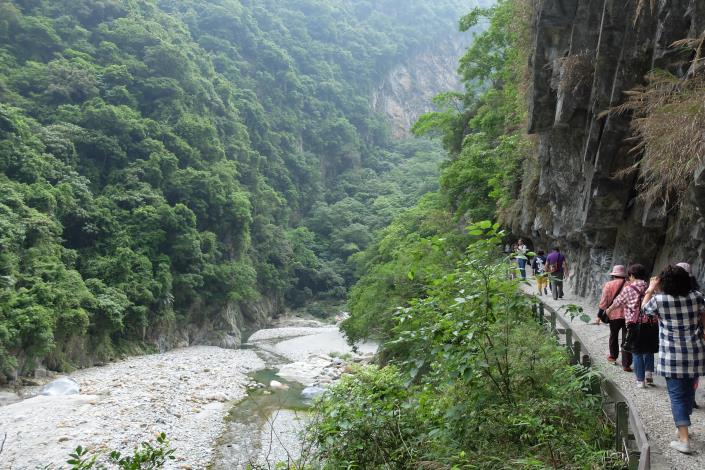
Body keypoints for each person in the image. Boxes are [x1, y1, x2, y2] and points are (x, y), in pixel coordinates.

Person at [642, 265, 705, 454]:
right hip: (695, 352)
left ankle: (684, 439)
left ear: (664, 282)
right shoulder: (697, 297)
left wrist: (651, 288)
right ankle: (682, 426)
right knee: (688, 390)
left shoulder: (659, 300)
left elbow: (645, 309)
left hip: (672, 354)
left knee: (677, 396)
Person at [606, 264, 654, 377]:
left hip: (634, 322)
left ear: (632, 276)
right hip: (649, 322)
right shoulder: (650, 288)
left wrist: (609, 310)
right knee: (648, 348)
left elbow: (618, 302)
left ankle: (640, 379)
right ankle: (648, 374)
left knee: (636, 349)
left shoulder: (629, 289)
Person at [595, 265, 631, 369]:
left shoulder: (608, 285)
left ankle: (613, 357)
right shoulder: (629, 285)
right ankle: (626, 364)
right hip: (628, 316)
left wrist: (598, 316)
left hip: (613, 315)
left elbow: (603, 302)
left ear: (614, 275)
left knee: (613, 336)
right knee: (627, 338)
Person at [676, 262, 701, 409]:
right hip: (695, 337)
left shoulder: (667, 296)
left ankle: (682, 398)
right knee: (693, 371)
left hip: (675, 339)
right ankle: (690, 397)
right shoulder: (698, 295)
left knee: (678, 370)